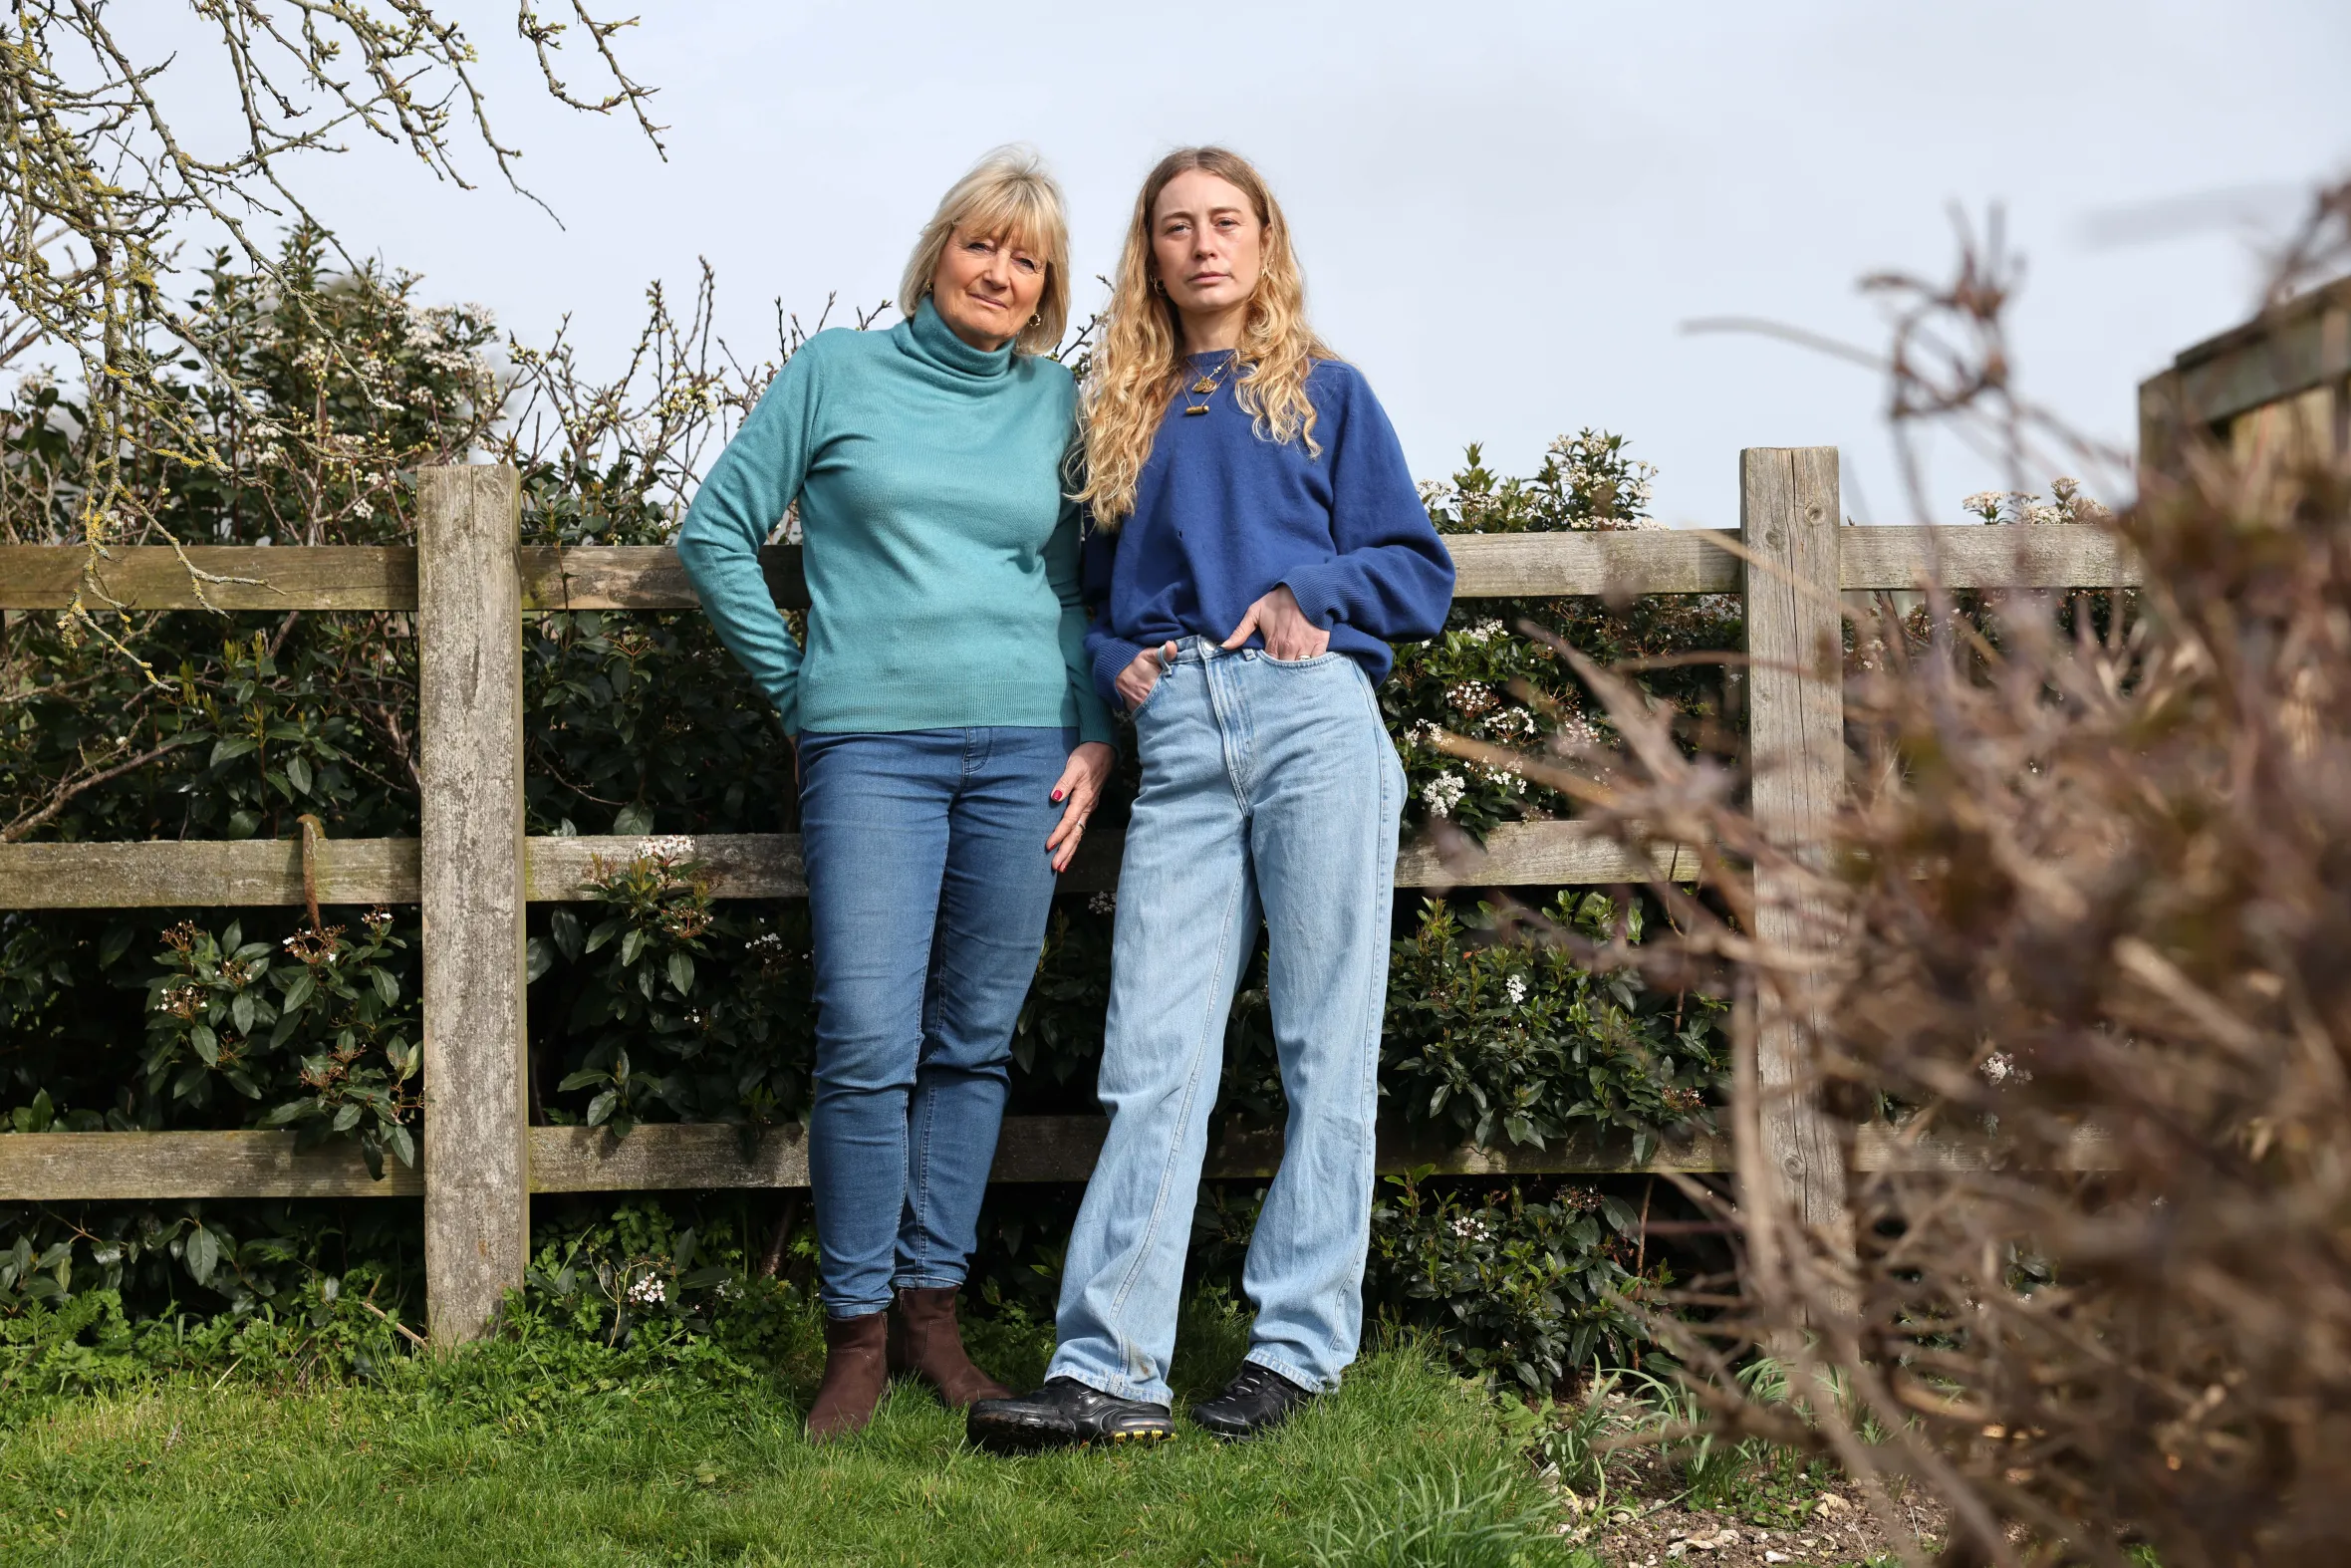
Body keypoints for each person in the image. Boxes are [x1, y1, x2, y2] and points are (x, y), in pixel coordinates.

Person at [969, 146, 1454, 1451]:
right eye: (1176, 226)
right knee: (1151, 1053)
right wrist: (1111, 664)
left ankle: (1297, 1346)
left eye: (1225, 221)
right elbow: (1087, 596)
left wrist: (1312, 595)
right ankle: (1110, 1371)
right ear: (1151, 253)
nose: (1203, 245)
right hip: (1181, 729)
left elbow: (1419, 568)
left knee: (1324, 1039)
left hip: (1309, 717)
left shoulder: (1327, 394)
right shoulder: (1122, 411)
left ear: (1263, 240)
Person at [677, 146, 1115, 1442]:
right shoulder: (835, 373)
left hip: (1025, 749)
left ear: (1047, 290)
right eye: (982, 244)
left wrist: (1095, 736)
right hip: (869, 747)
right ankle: (856, 1335)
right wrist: (799, 688)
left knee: (973, 1039)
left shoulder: (1058, 403)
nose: (1000, 273)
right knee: (867, 1040)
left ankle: (935, 1315)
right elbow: (714, 530)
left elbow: (1076, 588)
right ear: (938, 253)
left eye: (1027, 260)